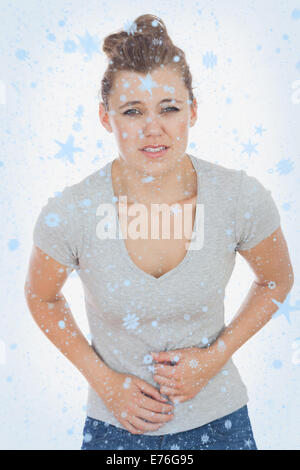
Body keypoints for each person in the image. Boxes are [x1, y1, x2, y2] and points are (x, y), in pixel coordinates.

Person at [24, 14, 294, 451]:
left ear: (193, 110)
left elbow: (276, 279)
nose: (154, 128)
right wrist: (105, 382)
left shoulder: (239, 197)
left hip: (221, 425)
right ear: (105, 117)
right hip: (116, 430)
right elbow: (41, 295)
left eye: (169, 108)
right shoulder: (71, 211)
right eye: (133, 111)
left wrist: (214, 358)